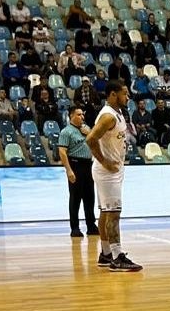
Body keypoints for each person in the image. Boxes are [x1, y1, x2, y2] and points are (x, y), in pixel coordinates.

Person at [86, 80, 142, 272]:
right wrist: (104, 161)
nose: (128, 97)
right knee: (114, 214)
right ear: (112, 94)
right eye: (124, 93)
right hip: (107, 172)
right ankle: (117, 257)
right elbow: (90, 139)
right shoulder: (108, 116)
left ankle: (106, 253)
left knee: (105, 212)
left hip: (111, 171)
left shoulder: (117, 113)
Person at [58, 108, 99, 238]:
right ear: (71, 116)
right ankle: (75, 227)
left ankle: (91, 225)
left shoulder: (86, 129)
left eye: (82, 114)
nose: (82, 117)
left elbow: (96, 142)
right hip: (75, 164)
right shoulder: (66, 132)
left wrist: (90, 133)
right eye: (79, 114)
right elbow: (62, 152)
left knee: (90, 197)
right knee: (75, 198)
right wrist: (68, 170)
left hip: (88, 164)